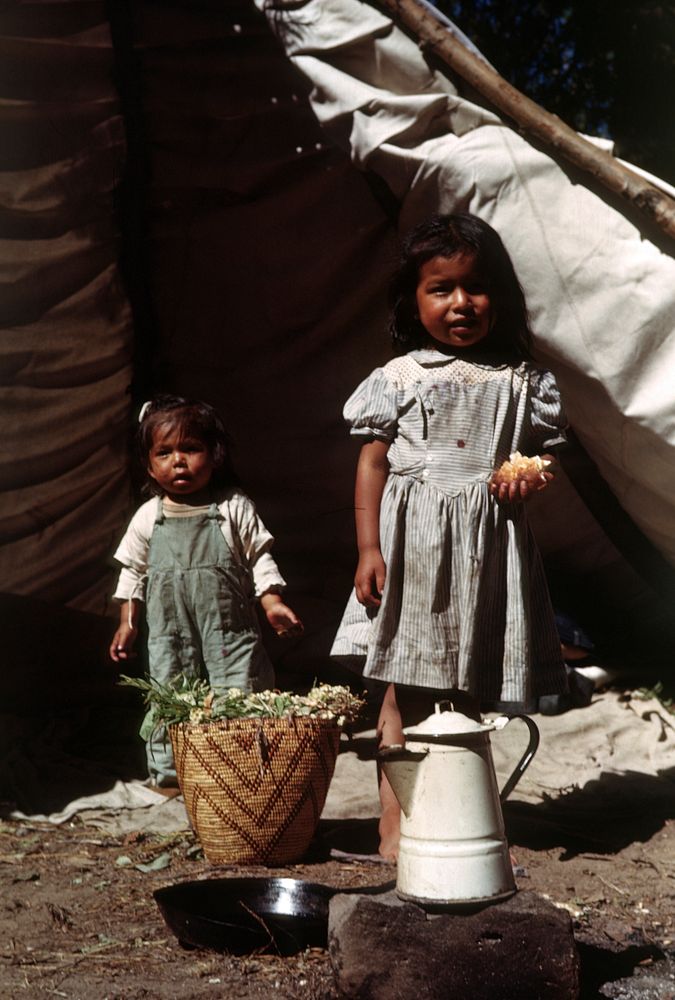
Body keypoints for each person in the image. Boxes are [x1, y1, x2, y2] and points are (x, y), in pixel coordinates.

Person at [331, 213, 569, 858]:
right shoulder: (400, 376)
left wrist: (530, 475)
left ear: (502, 296)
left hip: (485, 551)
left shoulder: (522, 381)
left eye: (476, 287)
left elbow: (544, 453)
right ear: (415, 299)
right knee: (402, 684)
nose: (461, 303)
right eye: (441, 288)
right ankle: (395, 825)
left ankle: (459, 819)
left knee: (465, 686)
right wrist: (369, 549)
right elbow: (373, 463)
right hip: (412, 549)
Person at [110, 395, 303, 788]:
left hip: (228, 630)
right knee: (171, 687)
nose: (178, 461)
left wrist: (272, 601)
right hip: (170, 631)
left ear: (214, 456)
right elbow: (133, 573)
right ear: (149, 464)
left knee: (238, 687)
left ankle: (242, 764)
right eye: (164, 452)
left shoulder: (233, 507)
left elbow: (259, 558)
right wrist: (128, 621)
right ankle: (171, 772)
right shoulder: (149, 516)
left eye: (190, 449)